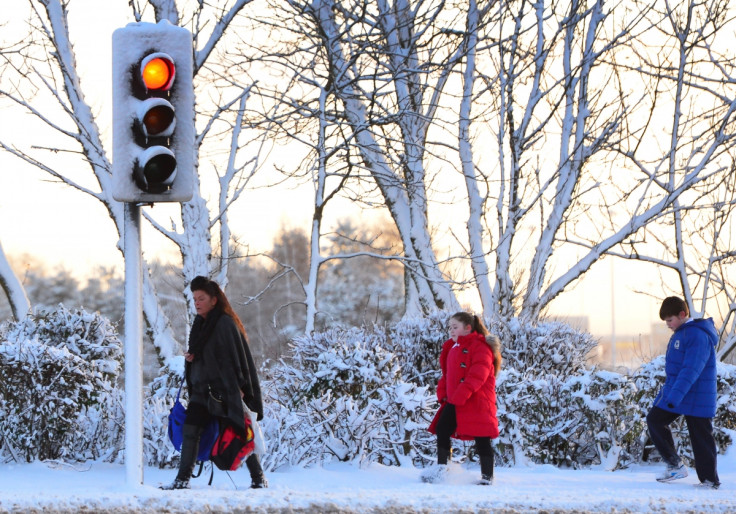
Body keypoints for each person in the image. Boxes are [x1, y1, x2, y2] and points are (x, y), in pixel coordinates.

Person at [161, 276, 266, 490]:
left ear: (214, 300)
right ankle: (182, 480)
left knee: (237, 429)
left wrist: (239, 387)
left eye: (201, 298)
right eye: (194, 299)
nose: (197, 303)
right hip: (202, 391)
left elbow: (234, 359)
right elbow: (206, 354)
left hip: (225, 390)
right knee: (191, 430)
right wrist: (192, 357)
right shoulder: (200, 324)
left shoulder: (225, 323)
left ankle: (258, 478)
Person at [646, 296, 720, 489]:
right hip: (682, 394)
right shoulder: (683, 333)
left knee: (701, 437)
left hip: (696, 396)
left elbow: (691, 369)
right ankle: (675, 465)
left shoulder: (697, 335)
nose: (668, 325)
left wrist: (675, 396)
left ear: (682, 314)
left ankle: (710, 480)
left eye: (670, 320)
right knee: (655, 419)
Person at [422, 312, 502, 485]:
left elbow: (477, 376)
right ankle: (443, 471)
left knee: (482, 437)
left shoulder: (481, 347)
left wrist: (460, 395)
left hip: (477, 400)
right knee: (442, 428)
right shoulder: (453, 347)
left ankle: (487, 478)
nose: (451, 330)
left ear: (467, 328)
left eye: (455, 327)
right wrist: (443, 394)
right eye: (450, 327)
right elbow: (447, 374)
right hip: (456, 399)